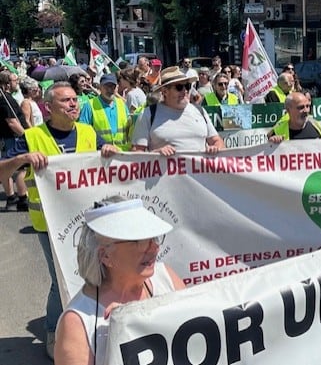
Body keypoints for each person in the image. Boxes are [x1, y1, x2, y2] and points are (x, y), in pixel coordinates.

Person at [0, 82, 119, 359]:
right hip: (49, 223)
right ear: (49, 108)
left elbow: (105, 156)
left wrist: (110, 151)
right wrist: (22, 159)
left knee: (93, 273)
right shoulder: (32, 137)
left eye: (75, 100)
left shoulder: (88, 132)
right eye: (66, 101)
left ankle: (87, 325)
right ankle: (54, 330)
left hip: (89, 219)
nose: (73, 105)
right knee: (61, 277)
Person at [55, 196, 185, 365]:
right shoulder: (77, 323)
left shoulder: (166, 278)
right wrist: (116, 335)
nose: (154, 247)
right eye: (139, 241)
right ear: (105, 255)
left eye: (153, 238)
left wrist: (137, 317)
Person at [132, 66, 224, 155]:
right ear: (165, 91)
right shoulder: (148, 114)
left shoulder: (200, 111)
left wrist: (216, 148)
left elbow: (217, 140)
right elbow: (137, 153)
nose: (185, 91)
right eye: (179, 87)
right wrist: (155, 155)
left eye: (187, 86)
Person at [0, 70, 28, 211]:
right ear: (6, 84)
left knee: (10, 168)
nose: (17, 82)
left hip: (10, 137)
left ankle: (13, 198)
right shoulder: (4, 99)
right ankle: (19, 198)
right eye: (14, 80)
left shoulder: (6, 97)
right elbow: (12, 122)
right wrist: (27, 136)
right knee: (18, 168)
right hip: (11, 137)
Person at [79, 74, 130, 149]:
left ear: (117, 88)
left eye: (113, 86)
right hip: (100, 154)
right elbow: (83, 131)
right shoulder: (90, 105)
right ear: (100, 87)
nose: (110, 89)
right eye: (106, 86)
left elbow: (129, 128)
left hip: (121, 155)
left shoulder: (122, 104)